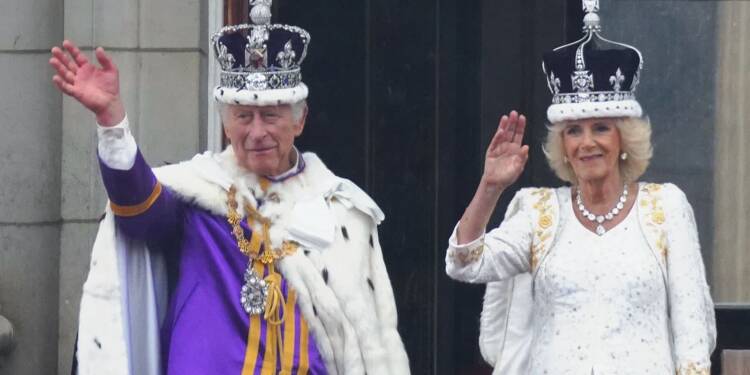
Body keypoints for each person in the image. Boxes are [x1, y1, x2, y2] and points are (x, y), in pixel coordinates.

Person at [49, 1, 410, 374]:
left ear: (299, 121)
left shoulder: (342, 211)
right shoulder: (199, 195)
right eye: (242, 116)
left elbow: (369, 341)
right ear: (226, 124)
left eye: (270, 115)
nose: (256, 132)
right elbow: (139, 212)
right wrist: (112, 122)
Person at [445, 2, 716, 375]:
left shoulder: (666, 208)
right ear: (564, 147)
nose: (587, 142)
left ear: (624, 139)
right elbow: (466, 263)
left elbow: (692, 339)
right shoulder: (539, 213)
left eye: (601, 128)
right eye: (574, 131)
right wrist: (490, 187)